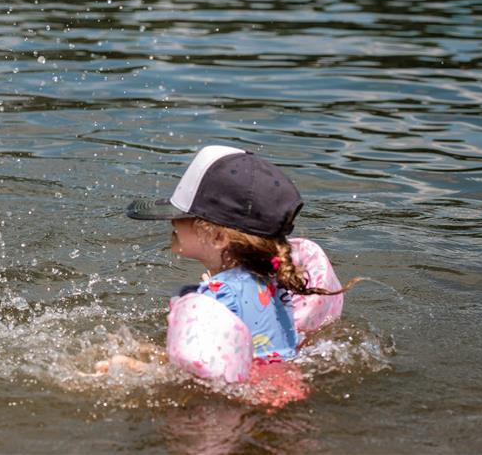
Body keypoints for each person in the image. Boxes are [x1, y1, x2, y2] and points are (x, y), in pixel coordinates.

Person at [95, 145, 347, 385]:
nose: (173, 224)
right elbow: (261, 354)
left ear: (217, 237)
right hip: (287, 386)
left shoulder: (220, 296)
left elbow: (204, 375)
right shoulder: (273, 279)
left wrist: (138, 369)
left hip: (245, 404)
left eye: (182, 217)